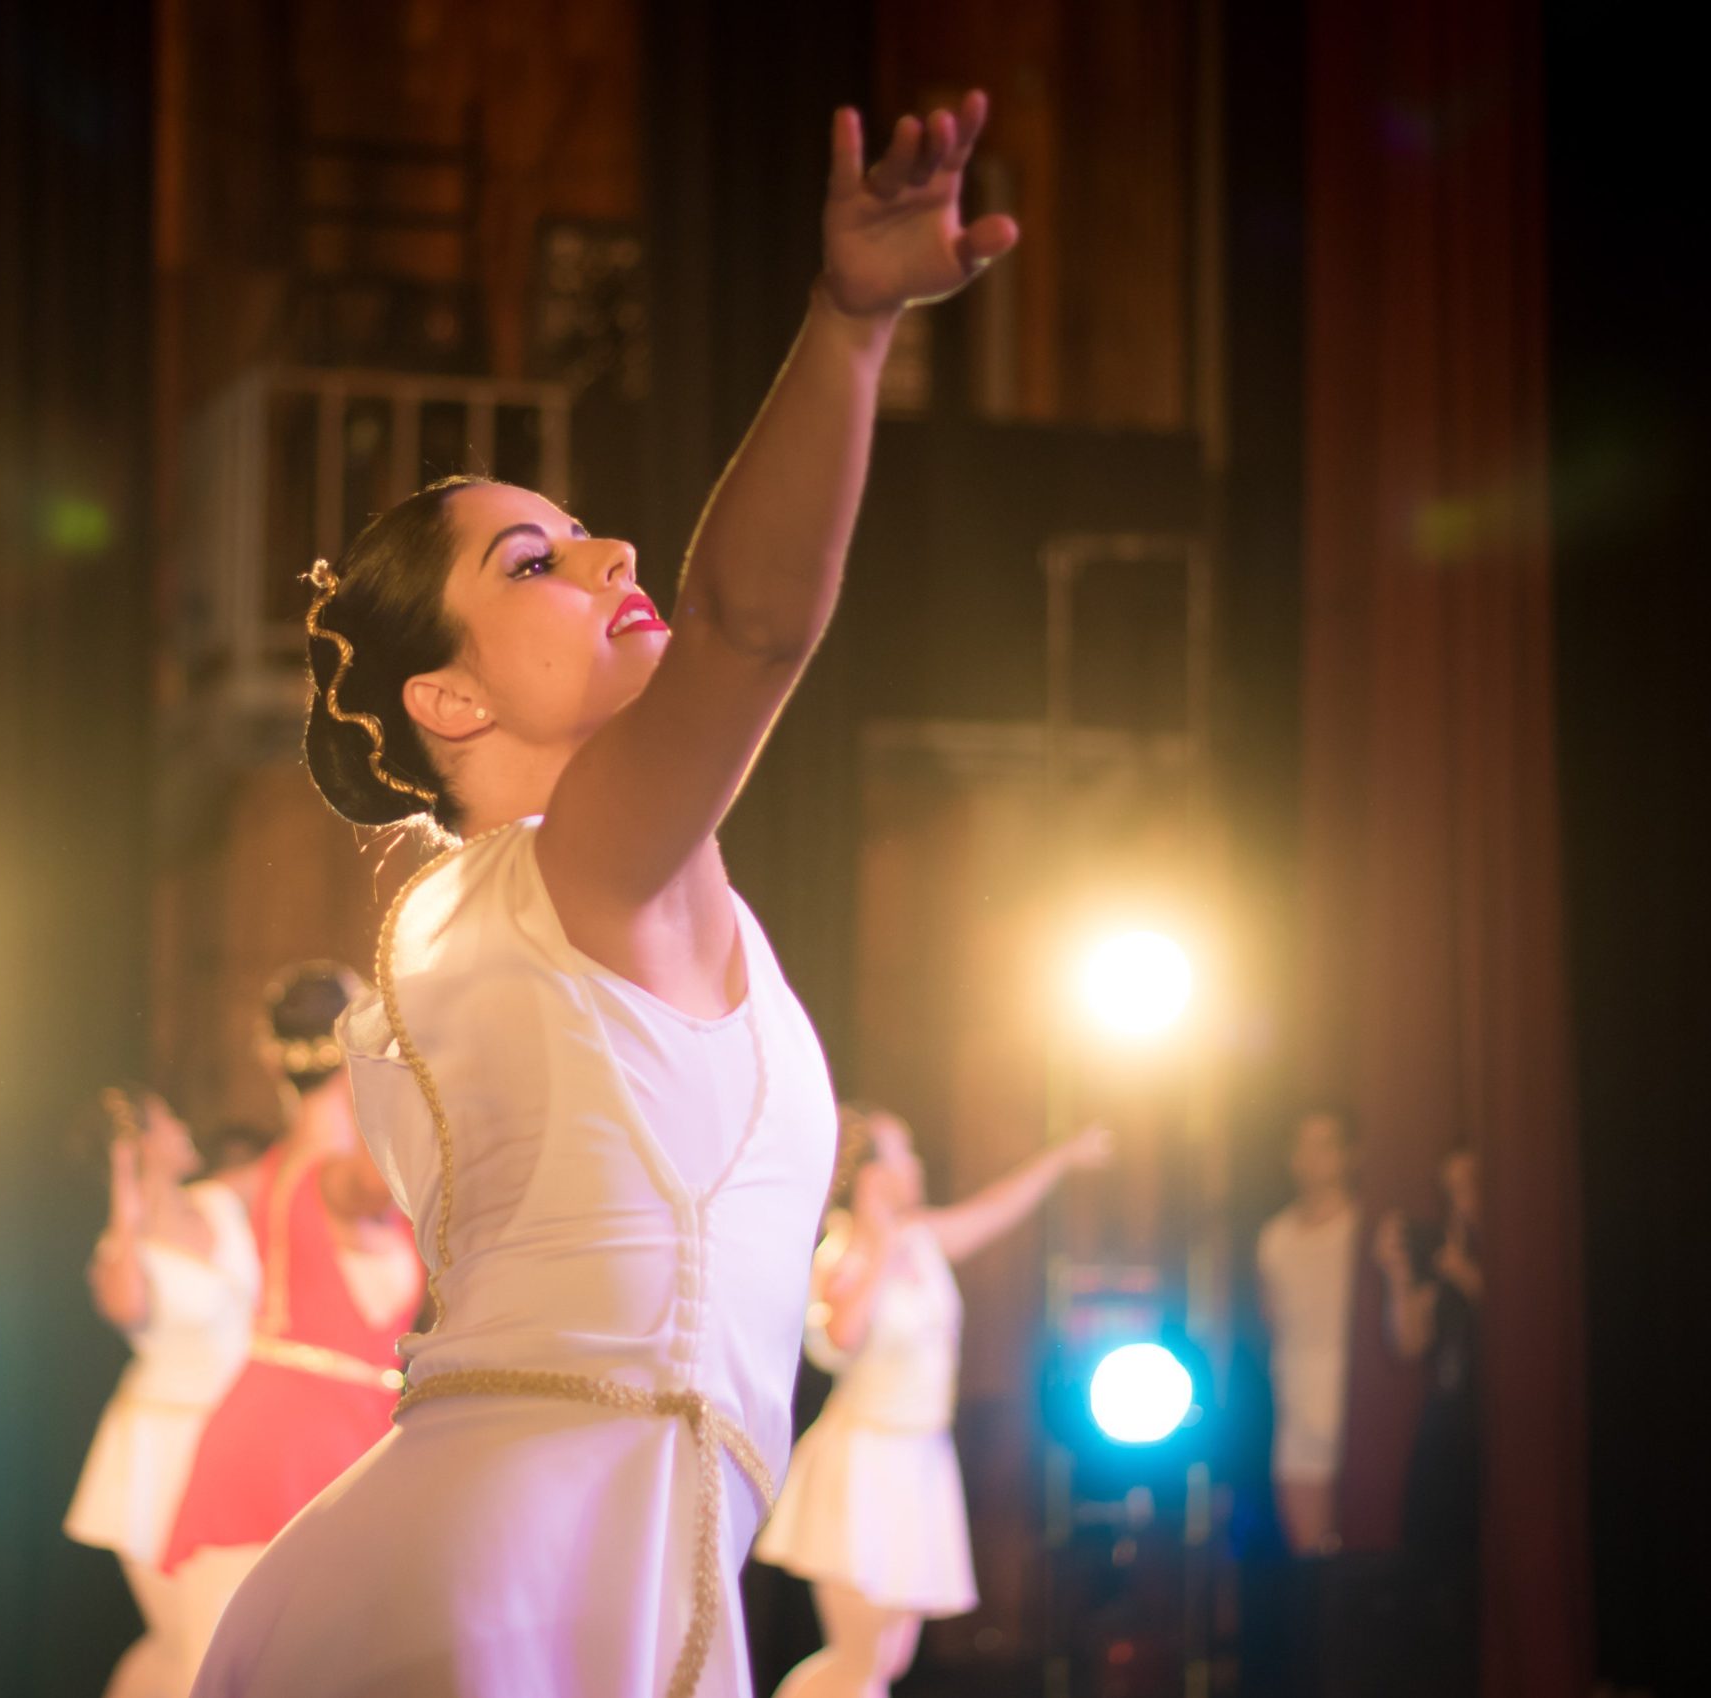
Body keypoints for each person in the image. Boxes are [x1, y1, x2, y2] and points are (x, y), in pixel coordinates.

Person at [189, 94, 1018, 1698]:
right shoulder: (552, 878)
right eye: (529, 563)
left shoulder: (585, 898)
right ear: (447, 702)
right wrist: (850, 327)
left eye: (576, 534)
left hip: (613, 1571)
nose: (607, 554)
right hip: (505, 1583)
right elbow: (752, 631)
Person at [756, 1108, 1114, 1698]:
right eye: (904, 1152)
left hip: (920, 1462)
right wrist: (880, 1248)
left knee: (885, 1663)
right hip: (864, 1464)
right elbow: (842, 1336)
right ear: (872, 1175)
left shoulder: (924, 1238)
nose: (916, 1163)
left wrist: (1062, 1157)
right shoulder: (840, 1252)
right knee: (858, 1660)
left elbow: (998, 1208)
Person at [160, 964, 424, 1663]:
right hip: (291, 1445)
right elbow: (385, 1178)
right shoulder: (336, 1175)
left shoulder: (275, 1169)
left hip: (339, 1440)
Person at [67, 1086, 263, 1698]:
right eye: (168, 1119)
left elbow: (294, 1166)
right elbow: (124, 1303)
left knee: (226, 1639)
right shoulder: (122, 1254)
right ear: (141, 1144)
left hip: (241, 1437)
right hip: (159, 1456)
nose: (184, 1126)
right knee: (194, 1646)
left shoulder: (222, 1203)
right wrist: (126, 1187)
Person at [1375, 1142, 1481, 1695]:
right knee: (1428, 1559)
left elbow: (1521, 1323)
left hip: (1493, 1433)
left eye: (1472, 1184)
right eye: (1453, 1188)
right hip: (1444, 1423)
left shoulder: (1510, 1246)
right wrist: (1397, 1272)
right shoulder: (1445, 1252)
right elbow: (1409, 1343)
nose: (1463, 1200)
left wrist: (1463, 1271)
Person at [1256, 1107, 1362, 1556]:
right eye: (1303, 1146)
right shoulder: (1275, 1237)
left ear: (1347, 1156)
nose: (1311, 1158)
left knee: (1361, 1552)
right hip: (1297, 1407)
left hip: (1355, 1405)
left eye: (1324, 1146)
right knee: (1309, 1558)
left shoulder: (1362, 1226)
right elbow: (1270, 1321)